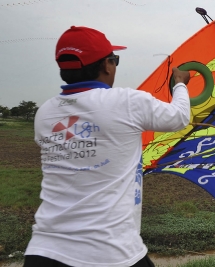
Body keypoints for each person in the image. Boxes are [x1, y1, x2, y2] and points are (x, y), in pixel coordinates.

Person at [24, 26, 191, 267]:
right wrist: (180, 84)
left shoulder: (46, 113)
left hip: (43, 253)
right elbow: (178, 117)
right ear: (106, 65)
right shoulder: (126, 102)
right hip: (111, 253)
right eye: (115, 60)